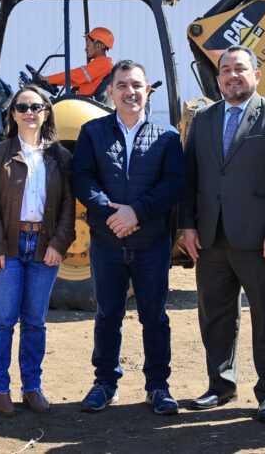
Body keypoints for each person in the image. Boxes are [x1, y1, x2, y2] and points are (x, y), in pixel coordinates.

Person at [179, 45, 265, 423]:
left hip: (260, 241)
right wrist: (187, 225)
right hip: (210, 239)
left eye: (240, 69)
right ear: (217, 78)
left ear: (256, 75)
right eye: (226, 70)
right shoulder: (204, 119)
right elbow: (189, 178)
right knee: (215, 316)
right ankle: (220, 385)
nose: (233, 75)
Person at [70, 60, 185, 416]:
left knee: (155, 317)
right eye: (122, 85)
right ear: (110, 91)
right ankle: (105, 383)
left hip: (151, 244)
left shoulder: (167, 137)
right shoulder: (92, 132)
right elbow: (82, 178)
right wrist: (111, 213)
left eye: (136, 85)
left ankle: (158, 386)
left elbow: (173, 184)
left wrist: (136, 212)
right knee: (108, 315)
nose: (129, 92)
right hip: (107, 243)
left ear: (147, 90)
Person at [0, 85, 76, 417]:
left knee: (35, 321)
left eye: (36, 107)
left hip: (44, 248)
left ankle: (32, 387)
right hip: (7, 247)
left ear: (46, 112)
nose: (29, 112)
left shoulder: (61, 157)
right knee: (3, 319)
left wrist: (59, 243)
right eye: (22, 107)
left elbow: (68, 206)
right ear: (13, 113)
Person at [42, 27, 114, 96]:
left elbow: (75, 75)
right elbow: (73, 80)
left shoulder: (103, 64)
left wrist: (48, 79)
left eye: (88, 45)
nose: (85, 49)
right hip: (83, 100)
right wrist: (53, 81)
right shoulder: (104, 65)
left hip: (84, 101)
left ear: (98, 46)